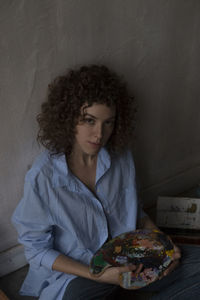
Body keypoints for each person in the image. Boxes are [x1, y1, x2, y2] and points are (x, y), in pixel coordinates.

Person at [12, 65, 200, 300]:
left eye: (108, 123)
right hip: (84, 272)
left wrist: (163, 248)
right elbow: (37, 249)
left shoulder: (121, 156)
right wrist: (99, 275)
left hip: (132, 256)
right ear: (69, 118)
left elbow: (136, 212)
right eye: (89, 121)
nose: (99, 134)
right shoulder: (43, 177)